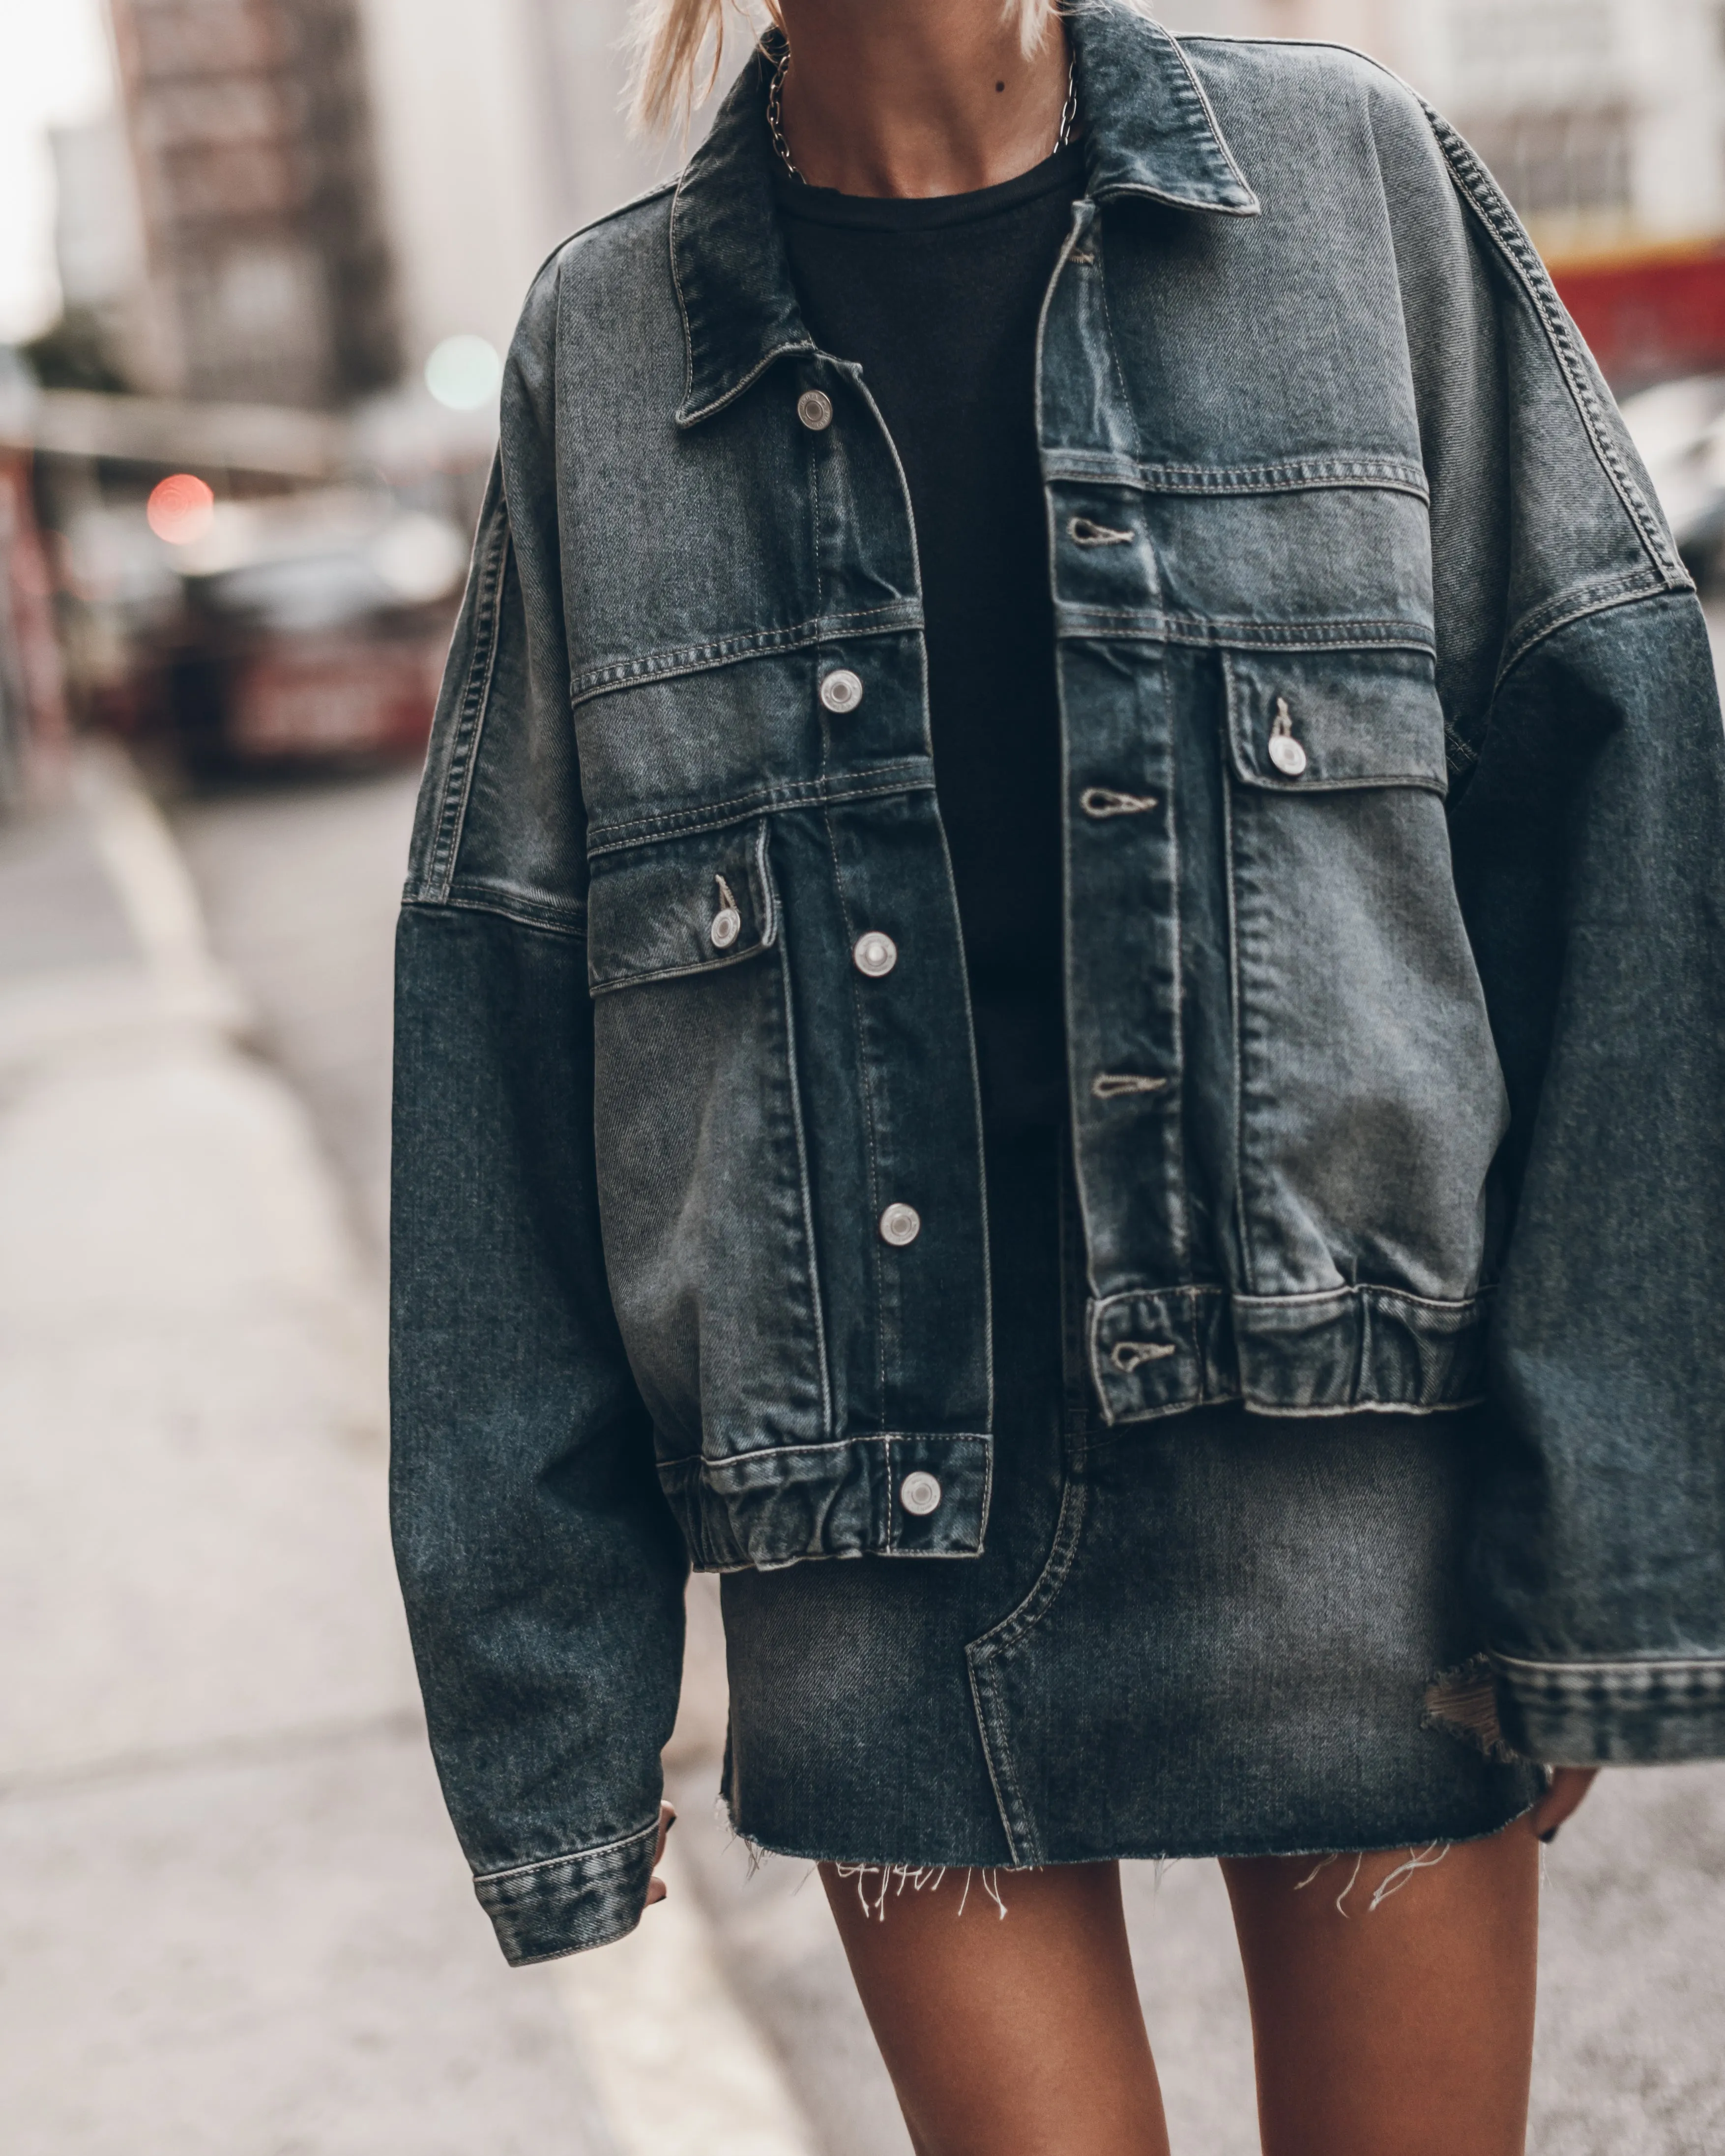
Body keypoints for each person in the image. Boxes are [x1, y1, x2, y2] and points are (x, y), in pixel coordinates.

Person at [388, 4, 1725, 2150]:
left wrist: (1605, 1533)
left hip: (1356, 1496)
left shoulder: (1347, 190)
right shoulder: (608, 346)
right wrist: (549, 1693)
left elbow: (1620, 842)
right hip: (879, 1544)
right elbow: (501, 1017)